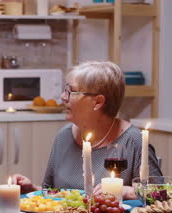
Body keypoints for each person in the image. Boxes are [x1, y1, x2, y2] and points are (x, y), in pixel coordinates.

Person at [14, 61, 162, 199]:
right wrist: (32, 189)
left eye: (71, 91)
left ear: (98, 102)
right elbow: (52, 192)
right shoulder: (64, 136)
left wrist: (127, 191)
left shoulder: (134, 141)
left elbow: (160, 195)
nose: (63, 96)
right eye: (65, 90)